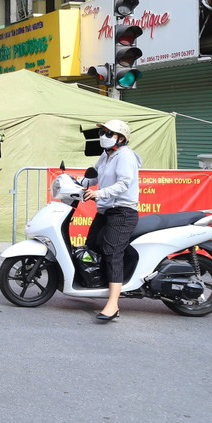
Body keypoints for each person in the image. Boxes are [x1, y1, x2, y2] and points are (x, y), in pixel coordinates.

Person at [81, 119, 141, 322]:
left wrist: (99, 194)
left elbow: (124, 183)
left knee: (112, 252)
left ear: (121, 138)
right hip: (107, 211)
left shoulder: (125, 156)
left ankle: (114, 304)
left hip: (122, 212)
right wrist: (77, 182)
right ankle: (96, 287)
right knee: (91, 246)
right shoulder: (106, 155)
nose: (103, 137)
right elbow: (94, 175)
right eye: (103, 132)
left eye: (108, 133)